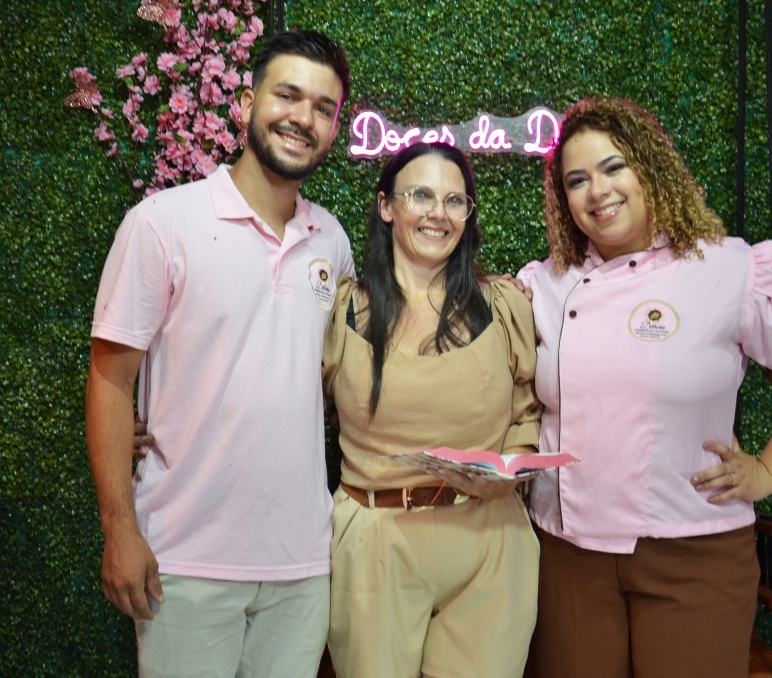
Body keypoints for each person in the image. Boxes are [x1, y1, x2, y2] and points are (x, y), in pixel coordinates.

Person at [519, 98, 772, 678]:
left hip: (694, 551)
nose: (597, 191)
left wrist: (768, 471)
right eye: (577, 180)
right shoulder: (543, 283)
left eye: (614, 167)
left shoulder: (727, 268)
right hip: (569, 554)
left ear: (650, 168)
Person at [85, 30, 353, 678]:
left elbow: (322, 380)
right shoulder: (161, 224)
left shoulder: (332, 241)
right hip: (183, 561)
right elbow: (110, 381)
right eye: (288, 95)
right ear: (246, 102)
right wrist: (119, 530)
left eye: (323, 107)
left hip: (302, 564)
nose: (303, 117)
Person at [321, 141, 542, 678]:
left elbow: (526, 410)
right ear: (386, 206)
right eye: (420, 195)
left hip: (490, 542)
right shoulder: (343, 310)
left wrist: (511, 470)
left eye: (454, 200)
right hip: (377, 542)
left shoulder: (502, 306)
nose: (438, 213)